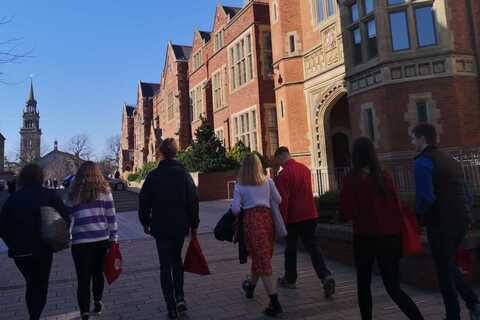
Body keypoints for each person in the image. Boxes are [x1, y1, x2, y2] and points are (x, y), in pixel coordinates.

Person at [340, 137, 424, 320]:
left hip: (365, 238)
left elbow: (347, 211)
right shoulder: (384, 176)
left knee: (364, 285)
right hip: (390, 237)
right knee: (393, 287)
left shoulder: (352, 179)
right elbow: (397, 206)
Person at [412, 123, 480, 320]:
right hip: (460, 220)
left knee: (443, 271)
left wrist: (418, 218)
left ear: (422, 139)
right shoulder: (451, 159)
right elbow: (467, 192)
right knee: (446, 263)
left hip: (440, 222)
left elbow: (426, 198)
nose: (412, 142)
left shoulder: (422, 162)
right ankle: (472, 303)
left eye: (414, 138)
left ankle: (455, 314)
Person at [138, 138, 199, 320]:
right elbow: (193, 201)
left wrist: (145, 222)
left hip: (160, 226)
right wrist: (194, 224)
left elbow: (143, 201)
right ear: (175, 153)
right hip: (180, 226)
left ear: (161, 153)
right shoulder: (184, 175)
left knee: (165, 265)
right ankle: (180, 297)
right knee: (177, 261)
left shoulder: (153, 176)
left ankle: (171, 306)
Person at [0, 164, 69, 320]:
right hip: (43, 249)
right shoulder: (49, 195)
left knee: (32, 284)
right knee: (40, 285)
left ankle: (34, 314)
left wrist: (13, 244)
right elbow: (65, 218)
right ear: (40, 177)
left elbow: (3, 228)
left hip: (20, 252)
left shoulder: (13, 199)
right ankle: (34, 315)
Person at [274, 147, 335, 297]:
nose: (279, 165)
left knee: (290, 249)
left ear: (281, 157)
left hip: (294, 217)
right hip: (310, 214)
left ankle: (290, 279)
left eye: (278, 161)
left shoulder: (283, 175)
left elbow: (283, 201)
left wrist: (281, 221)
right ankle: (325, 276)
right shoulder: (305, 169)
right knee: (313, 248)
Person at [231, 153, 283, 317]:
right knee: (261, 257)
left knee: (262, 261)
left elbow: (235, 210)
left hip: (252, 223)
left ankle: (275, 303)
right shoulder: (268, 181)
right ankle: (250, 287)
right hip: (267, 221)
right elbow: (279, 199)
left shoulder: (240, 185)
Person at [67, 161, 118, 320]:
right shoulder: (105, 191)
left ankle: (84, 312)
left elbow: (67, 217)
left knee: (83, 278)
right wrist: (114, 237)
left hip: (80, 241)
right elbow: (111, 216)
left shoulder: (73, 193)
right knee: (97, 273)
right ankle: (97, 301)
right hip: (101, 239)